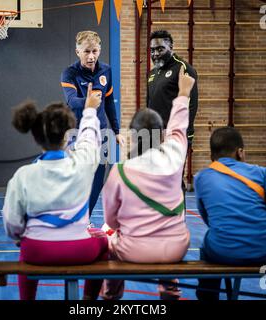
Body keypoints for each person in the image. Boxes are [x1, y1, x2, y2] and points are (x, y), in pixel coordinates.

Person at [85, 67, 195, 300]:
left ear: (133, 137)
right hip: (177, 247)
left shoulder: (120, 171)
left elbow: (112, 220)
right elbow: (178, 128)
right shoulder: (175, 156)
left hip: (133, 251)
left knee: (107, 237)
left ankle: (111, 295)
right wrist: (183, 93)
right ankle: (170, 289)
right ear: (161, 136)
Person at [2, 84, 108, 300]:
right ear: (68, 137)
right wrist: (89, 109)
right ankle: (88, 300)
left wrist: (20, 237)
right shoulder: (82, 164)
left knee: (24, 250)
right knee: (105, 245)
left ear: (35, 138)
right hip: (81, 250)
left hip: (36, 251)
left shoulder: (23, 175)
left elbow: (12, 223)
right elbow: (89, 138)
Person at [194, 127, 266, 300]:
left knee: (206, 248)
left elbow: (206, 215)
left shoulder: (201, 177)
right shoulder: (260, 172)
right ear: (240, 152)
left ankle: (207, 297)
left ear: (211, 156)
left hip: (222, 251)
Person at [61, 30, 125, 216]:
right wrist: (89, 101)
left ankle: (86, 216)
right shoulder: (69, 73)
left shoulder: (106, 70)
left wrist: (117, 130)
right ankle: (72, 215)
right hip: (77, 133)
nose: (91, 56)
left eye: (95, 51)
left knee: (98, 177)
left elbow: (109, 101)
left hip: (101, 132)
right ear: (77, 52)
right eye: (87, 51)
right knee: (78, 177)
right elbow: (72, 101)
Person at [147, 30, 199, 192]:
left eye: (160, 49)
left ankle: (178, 217)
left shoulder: (183, 68)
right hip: (154, 135)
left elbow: (191, 105)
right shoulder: (153, 72)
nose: (155, 54)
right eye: (152, 50)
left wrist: (180, 134)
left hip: (175, 136)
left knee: (173, 180)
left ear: (171, 47)